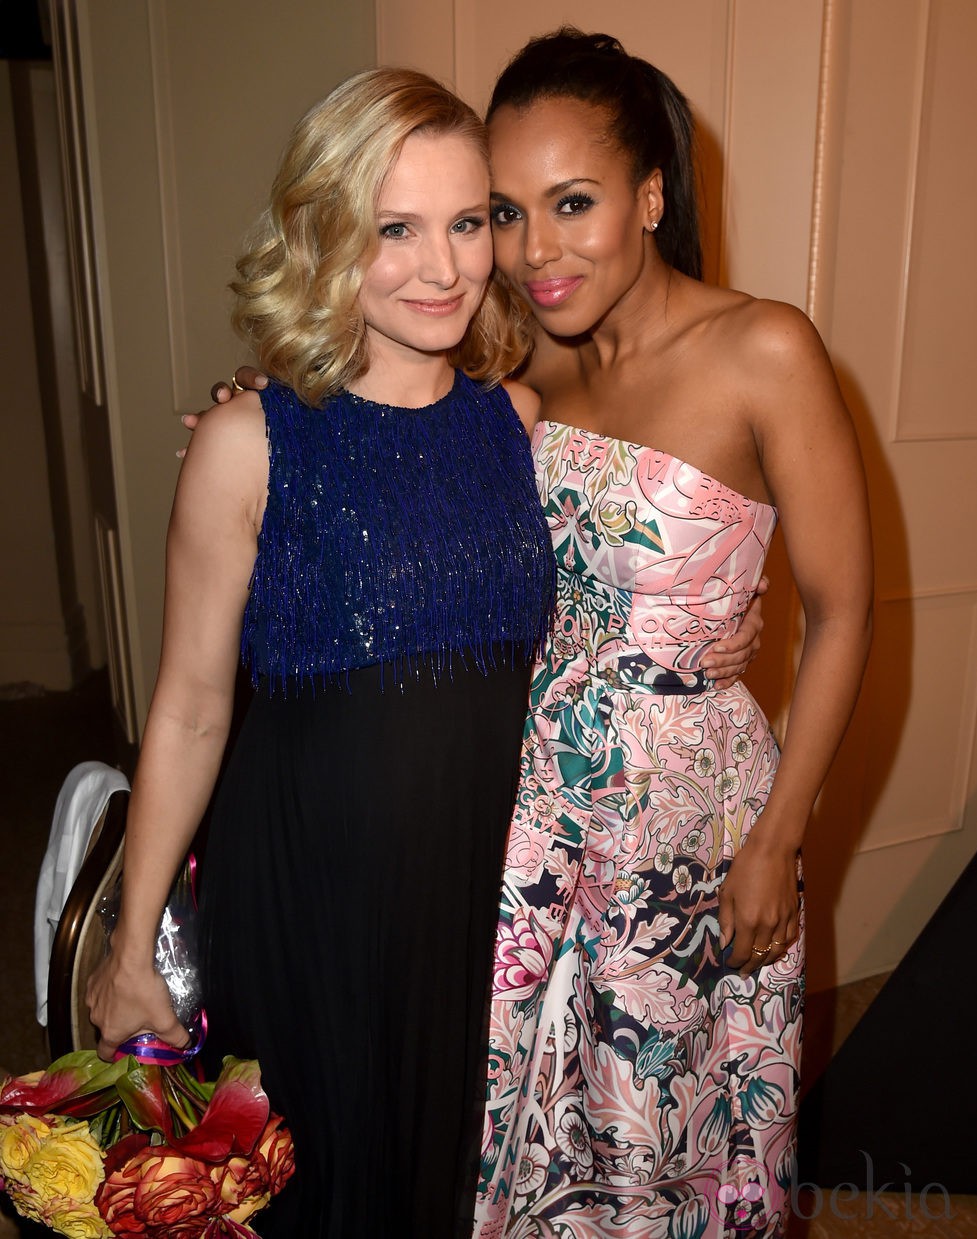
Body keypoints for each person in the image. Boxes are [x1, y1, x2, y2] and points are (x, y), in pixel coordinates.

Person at [85, 67, 560, 1239]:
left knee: (450, 1175)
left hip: (476, 900)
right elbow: (191, 707)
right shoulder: (248, 444)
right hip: (307, 898)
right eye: (392, 229)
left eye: (466, 223)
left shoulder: (519, 422)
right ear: (323, 236)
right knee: (314, 1186)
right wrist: (132, 942)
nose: (442, 269)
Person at [467, 29, 872, 1239]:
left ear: (649, 194)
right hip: (533, 799)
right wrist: (262, 415)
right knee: (523, 1100)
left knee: (654, 1122)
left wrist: (777, 838)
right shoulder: (525, 352)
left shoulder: (764, 349)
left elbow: (843, 616)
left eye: (572, 203)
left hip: (687, 819)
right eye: (507, 211)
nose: (535, 251)